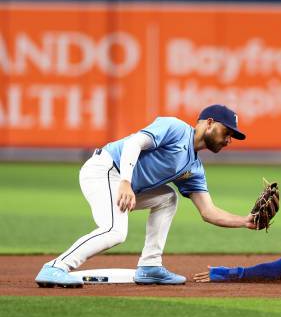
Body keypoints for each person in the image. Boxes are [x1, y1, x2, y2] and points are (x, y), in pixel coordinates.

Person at [36, 104, 256, 288]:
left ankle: (150, 266)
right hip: (105, 170)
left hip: (125, 183)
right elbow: (134, 142)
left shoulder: (194, 168)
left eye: (232, 136)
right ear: (208, 122)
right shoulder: (176, 128)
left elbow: (209, 212)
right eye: (226, 132)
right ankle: (56, 267)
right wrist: (125, 182)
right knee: (114, 231)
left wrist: (245, 221)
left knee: (168, 198)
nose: (229, 140)